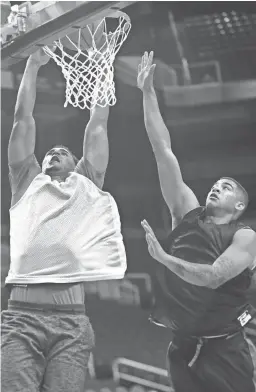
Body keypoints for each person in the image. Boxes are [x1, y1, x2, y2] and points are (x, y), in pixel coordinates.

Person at [1, 48, 127, 392]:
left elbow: (98, 122)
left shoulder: (86, 183)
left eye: (63, 152)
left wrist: (104, 66)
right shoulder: (27, 181)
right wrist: (32, 64)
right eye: (49, 153)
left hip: (70, 323)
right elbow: (22, 119)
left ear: (78, 163)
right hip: (21, 317)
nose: (53, 154)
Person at [138, 51, 256, 392]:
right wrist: (148, 93)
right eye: (216, 184)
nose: (218, 186)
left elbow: (214, 276)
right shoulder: (186, 211)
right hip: (183, 344)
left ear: (239, 205)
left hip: (225, 348)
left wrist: (164, 258)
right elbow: (162, 149)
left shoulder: (245, 237)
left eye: (228, 187)